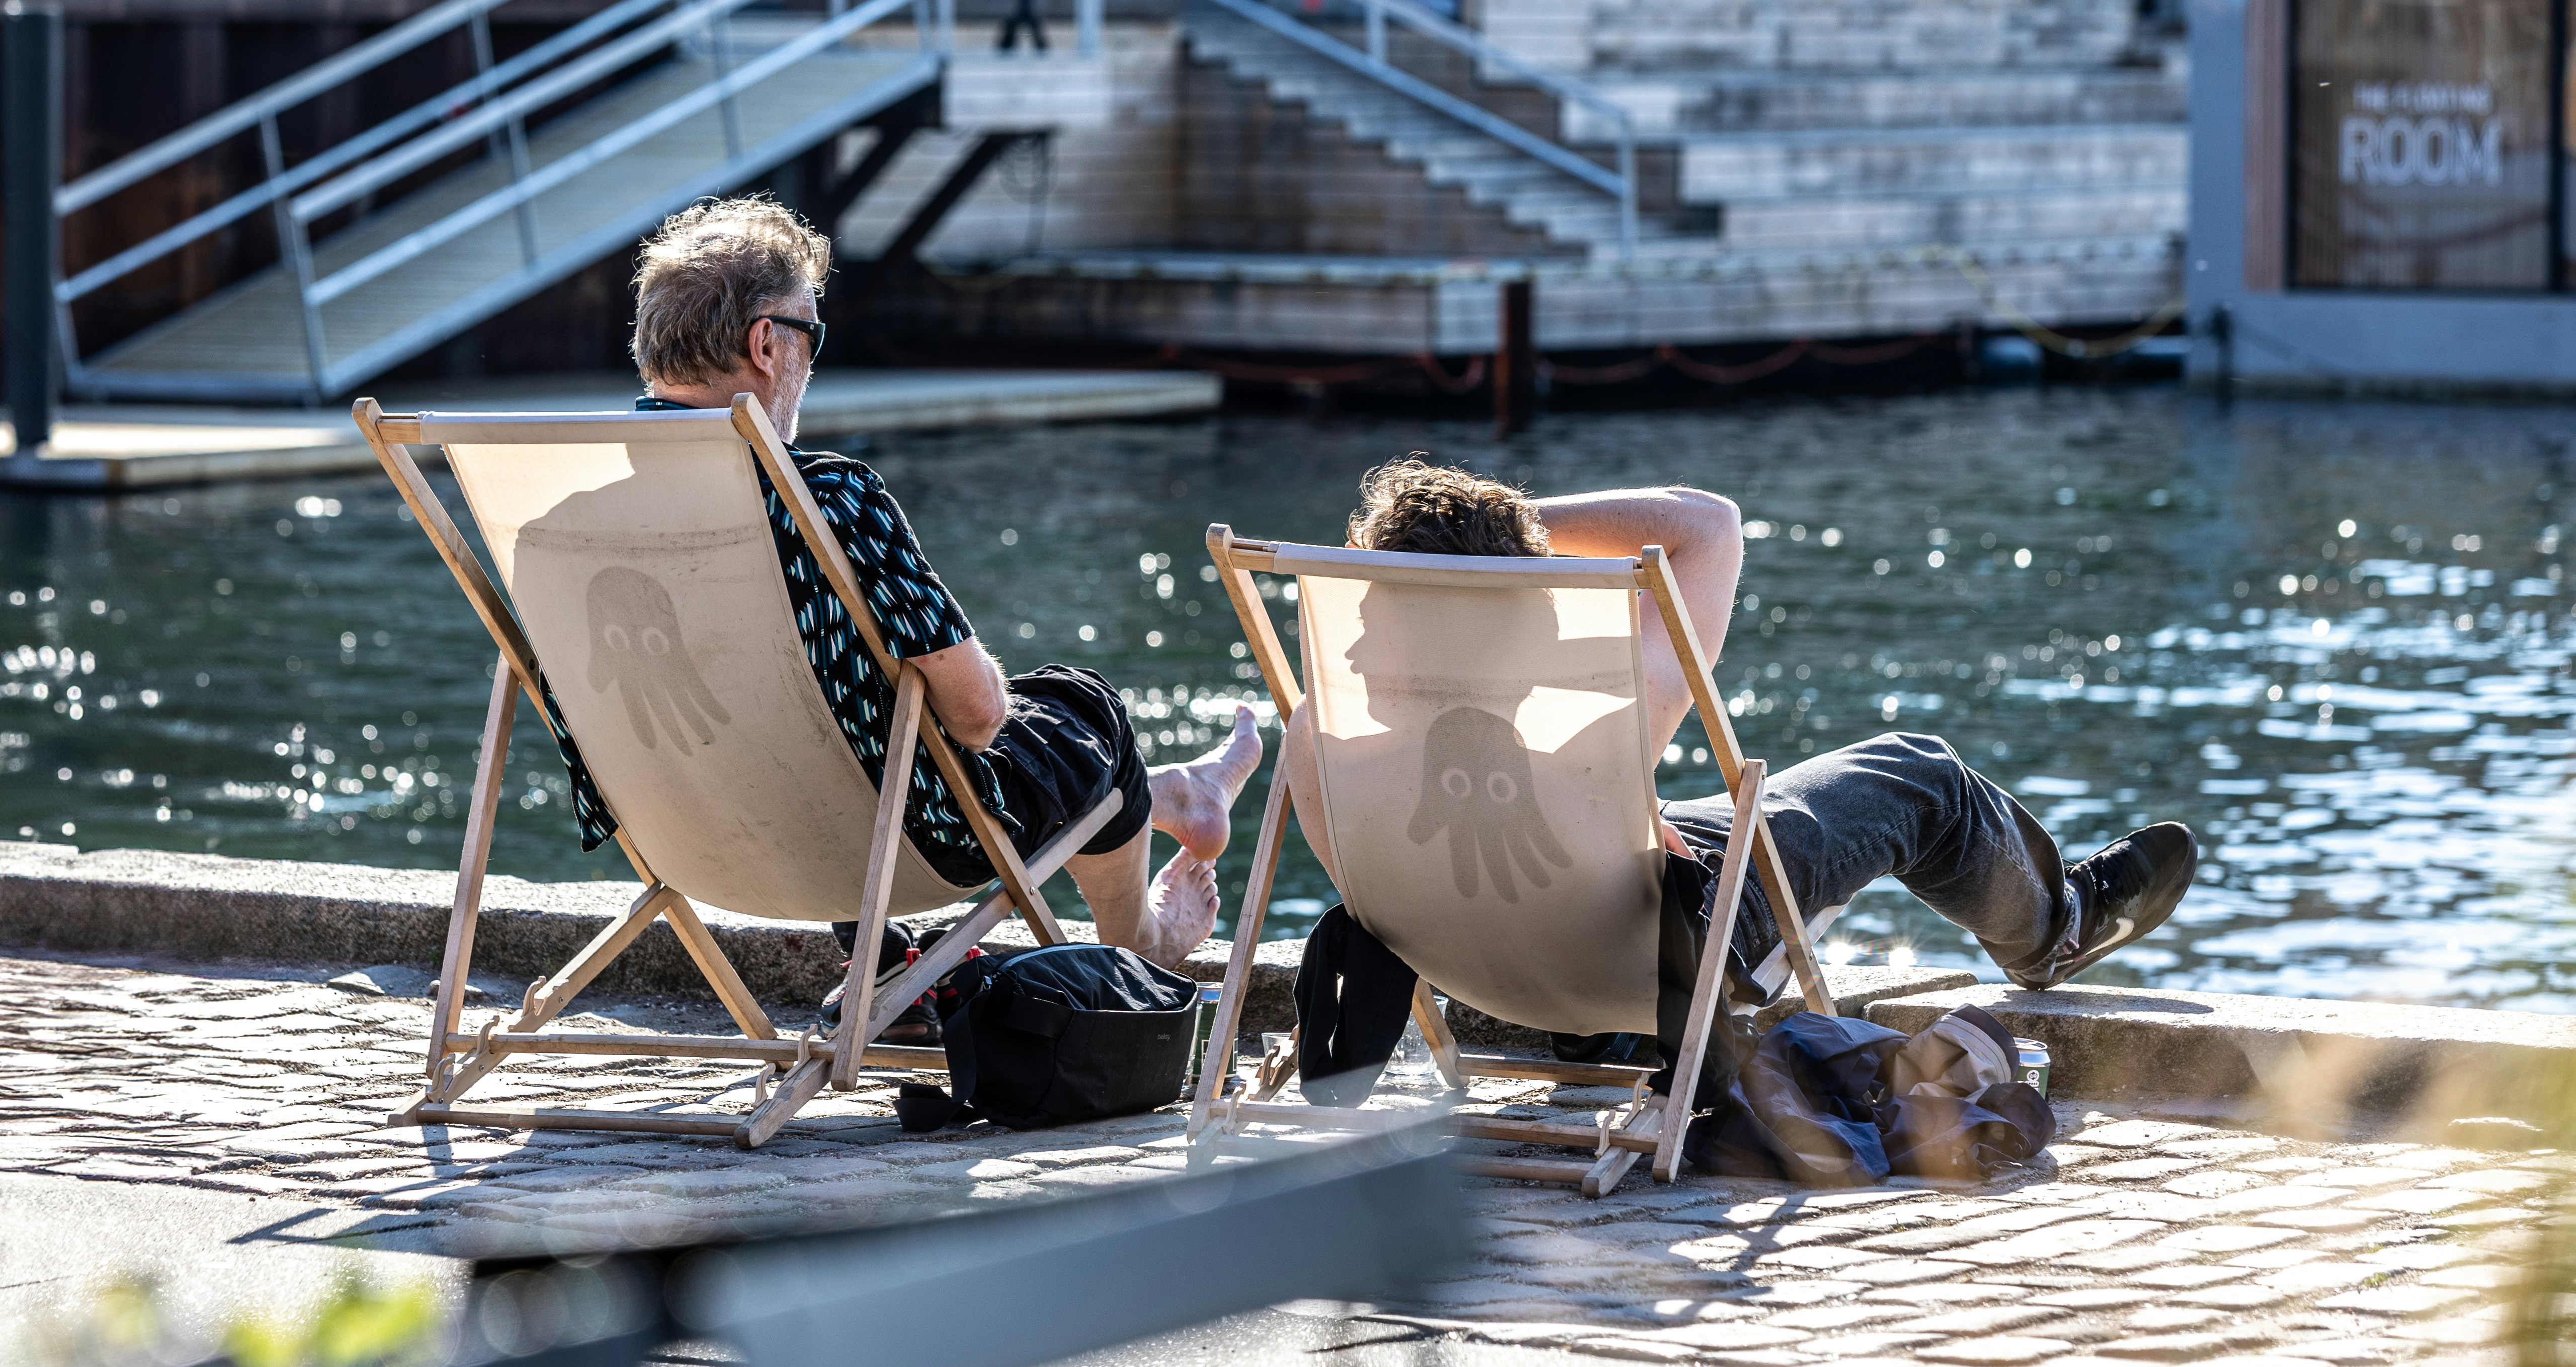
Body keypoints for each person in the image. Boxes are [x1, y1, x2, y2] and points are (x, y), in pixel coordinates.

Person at [604, 195, 1261, 968]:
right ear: (767, 344)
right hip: (887, 848)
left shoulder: (569, 516)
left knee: (844, 727)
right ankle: (1143, 948)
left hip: (684, 836)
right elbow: (980, 718)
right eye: (810, 337)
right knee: (1085, 711)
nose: (810, 362)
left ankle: (887, 964)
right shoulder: (832, 502)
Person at [1283, 458, 2198, 994]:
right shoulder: (1608, 728)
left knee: (1658, 815)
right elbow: (1708, 526)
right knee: (1919, 775)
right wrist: (1515, 533)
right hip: (1654, 970)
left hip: (1480, 974)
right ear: (1519, 605)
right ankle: (2056, 930)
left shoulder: (1320, 737)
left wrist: (1424, 565)